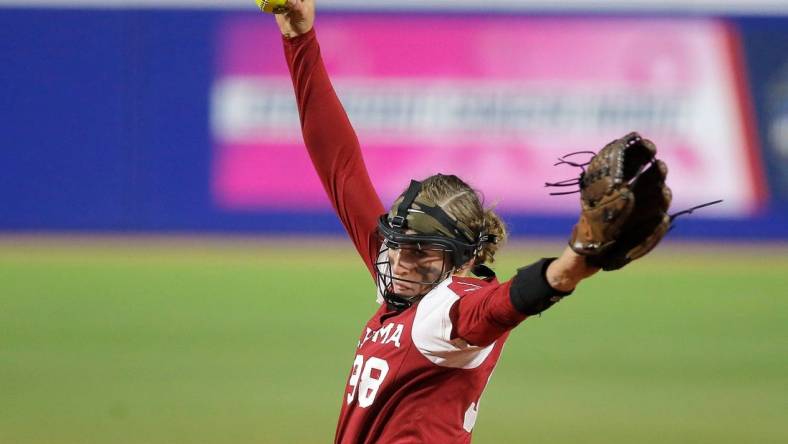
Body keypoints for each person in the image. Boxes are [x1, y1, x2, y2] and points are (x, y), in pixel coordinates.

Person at [274, 1, 601, 442]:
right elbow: (339, 164)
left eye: (420, 251)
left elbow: (502, 305)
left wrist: (573, 264)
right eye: (397, 245)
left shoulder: (444, 311)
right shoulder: (407, 279)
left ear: (461, 261)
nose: (401, 260)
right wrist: (299, 38)